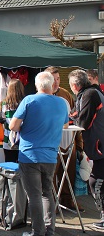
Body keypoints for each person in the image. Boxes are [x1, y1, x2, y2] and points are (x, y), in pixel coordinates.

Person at [9, 71, 69, 236]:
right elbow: (64, 125)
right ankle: (49, 230)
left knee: (34, 195)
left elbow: (13, 126)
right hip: (50, 156)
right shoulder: (62, 103)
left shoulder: (29, 100)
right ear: (51, 85)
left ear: (36, 85)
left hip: (30, 154)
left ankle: (37, 231)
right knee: (47, 193)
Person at [69, 69, 104, 229]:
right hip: (98, 144)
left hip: (99, 145)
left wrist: (69, 120)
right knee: (96, 181)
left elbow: (83, 121)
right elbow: (77, 114)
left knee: (96, 182)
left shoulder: (90, 95)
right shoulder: (90, 93)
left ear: (75, 85)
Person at [44, 66, 81, 211]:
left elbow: (74, 117)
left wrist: (79, 144)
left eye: (58, 79)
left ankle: (67, 200)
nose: (56, 82)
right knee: (51, 173)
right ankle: (50, 204)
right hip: (50, 141)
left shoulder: (65, 94)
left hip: (68, 139)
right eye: (53, 79)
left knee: (68, 174)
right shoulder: (42, 95)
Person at [2, 79, 25, 162]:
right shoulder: (25, 102)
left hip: (8, 138)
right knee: (22, 166)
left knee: (9, 165)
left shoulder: (5, 103)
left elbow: (4, 117)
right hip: (22, 138)